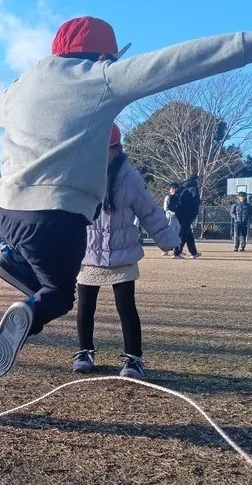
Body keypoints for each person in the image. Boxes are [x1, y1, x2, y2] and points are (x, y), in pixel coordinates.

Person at [0, 16, 252, 379]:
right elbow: (173, 64)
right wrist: (248, 45)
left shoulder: (22, 84)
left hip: (6, 210)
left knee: (37, 254)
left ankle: (11, 257)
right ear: (103, 56)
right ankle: (31, 312)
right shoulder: (102, 77)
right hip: (57, 217)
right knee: (60, 295)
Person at [74, 126, 178, 379]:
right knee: (85, 307)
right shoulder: (81, 176)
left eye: (105, 150)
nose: (99, 156)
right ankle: (85, 351)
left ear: (117, 150)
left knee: (126, 307)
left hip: (123, 252)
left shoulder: (131, 179)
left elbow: (149, 211)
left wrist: (165, 237)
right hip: (90, 252)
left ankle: (133, 359)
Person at [173, 174, 201, 260]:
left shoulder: (182, 187)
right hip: (188, 213)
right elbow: (196, 200)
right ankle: (176, 253)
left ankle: (194, 252)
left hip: (179, 212)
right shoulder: (194, 188)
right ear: (196, 180)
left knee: (188, 232)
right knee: (183, 233)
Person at [161, 183, 180, 256]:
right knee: (169, 234)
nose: (173, 190)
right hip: (170, 218)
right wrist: (173, 213)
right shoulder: (168, 197)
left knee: (177, 235)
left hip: (178, 219)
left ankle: (177, 251)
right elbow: (166, 208)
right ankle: (165, 250)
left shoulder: (179, 197)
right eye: (172, 188)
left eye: (175, 188)